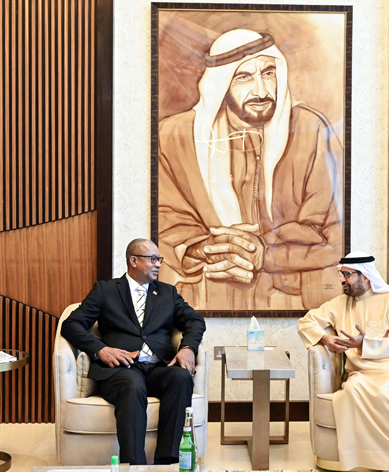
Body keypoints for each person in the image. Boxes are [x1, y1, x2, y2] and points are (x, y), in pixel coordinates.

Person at [158, 28, 343, 311]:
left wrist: (265, 253)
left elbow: (333, 233)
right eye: (243, 77)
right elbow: (165, 218)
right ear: (221, 83)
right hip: (204, 303)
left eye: (268, 73)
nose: (262, 91)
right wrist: (201, 248)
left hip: (293, 302)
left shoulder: (310, 130)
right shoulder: (174, 136)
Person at [61, 238, 206, 465]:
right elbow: (71, 325)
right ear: (134, 260)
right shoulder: (105, 291)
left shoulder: (167, 293)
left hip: (158, 367)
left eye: (160, 259)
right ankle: (135, 466)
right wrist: (101, 350)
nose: (158, 264)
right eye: (153, 259)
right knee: (132, 385)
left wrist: (187, 348)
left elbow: (194, 321)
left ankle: (166, 463)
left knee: (180, 378)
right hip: (121, 369)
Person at [297, 251, 389, 471]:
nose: (342, 279)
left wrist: (365, 344)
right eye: (341, 274)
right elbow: (305, 322)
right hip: (363, 371)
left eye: (347, 274)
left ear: (365, 276)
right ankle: (361, 463)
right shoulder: (339, 304)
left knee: (385, 390)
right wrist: (325, 338)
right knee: (352, 390)